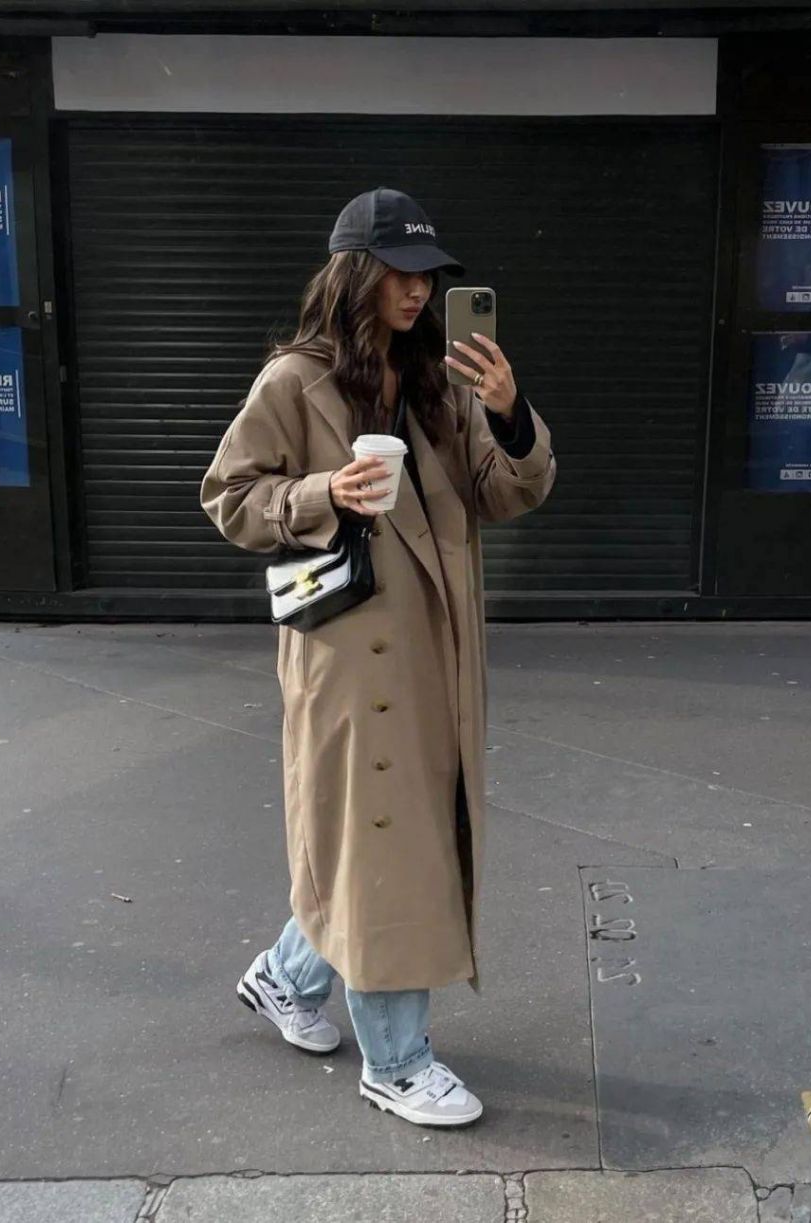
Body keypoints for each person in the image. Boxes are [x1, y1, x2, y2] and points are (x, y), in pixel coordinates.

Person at [200, 187, 556, 1128]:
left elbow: (505, 492)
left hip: (435, 658)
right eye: (399, 272)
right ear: (354, 273)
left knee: (384, 840)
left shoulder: (440, 381)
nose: (417, 290)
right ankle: (396, 1063)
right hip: (349, 661)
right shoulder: (295, 381)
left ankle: (286, 976)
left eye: (427, 275)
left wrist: (511, 414)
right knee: (388, 844)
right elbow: (230, 496)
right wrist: (325, 491)